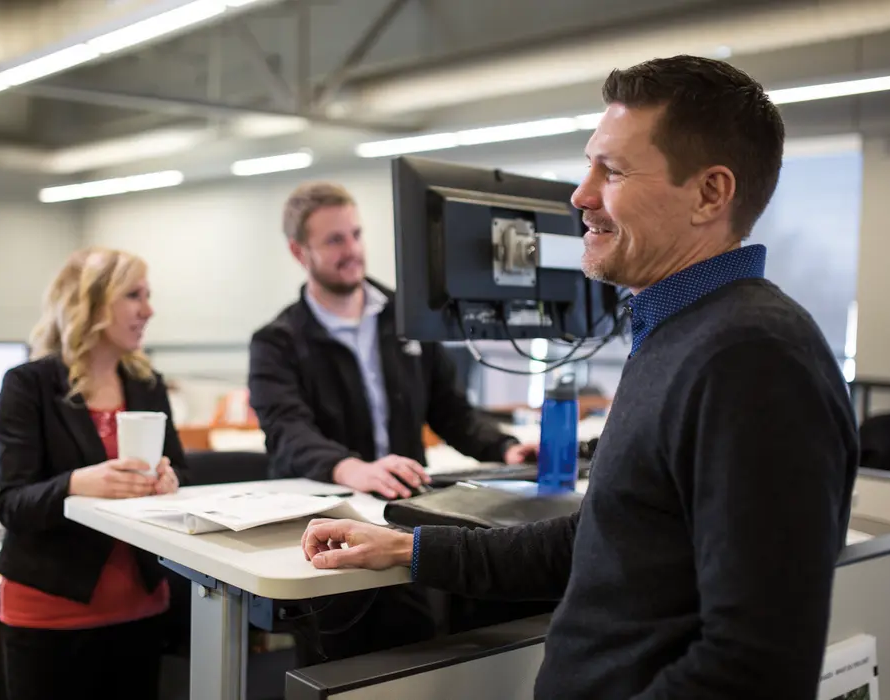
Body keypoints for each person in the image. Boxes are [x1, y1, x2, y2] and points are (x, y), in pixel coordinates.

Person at [300, 55, 860, 699]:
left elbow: (753, 669)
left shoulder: (755, 360)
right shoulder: (682, 332)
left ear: (711, 193)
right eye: (590, 164)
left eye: (613, 170)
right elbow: (606, 534)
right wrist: (408, 548)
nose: (580, 194)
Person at [248, 181, 537, 660]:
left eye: (356, 234)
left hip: (402, 514)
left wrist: (503, 446)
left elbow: (452, 409)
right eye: (335, 240)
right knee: (336, 668)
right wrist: (352, 467)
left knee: (417, 654)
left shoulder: (406, 317)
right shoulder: (277, 342)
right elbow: (287, 431)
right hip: (326, 525)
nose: (353, 250)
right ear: (300, 252)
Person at [0, 246, 188, 700]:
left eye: (149, 294)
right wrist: (78, 484)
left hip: (141, 606)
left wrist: (171, 482)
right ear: (92, 305)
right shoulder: (28, 385)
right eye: (134, 295)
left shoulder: (147, 384)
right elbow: (12, 504)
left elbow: (184, 472)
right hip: (50, 614)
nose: (149, 309)